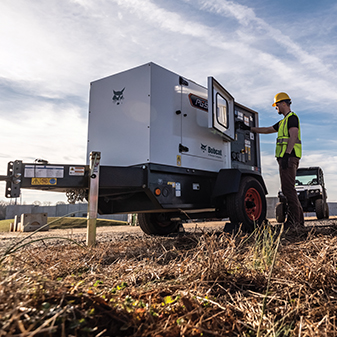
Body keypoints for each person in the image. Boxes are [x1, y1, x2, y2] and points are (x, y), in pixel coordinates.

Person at [250, 92, 304, 228]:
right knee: (288, 189)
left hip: (289, 158)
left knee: (288, 190)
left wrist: (287, 154)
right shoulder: (283, 121)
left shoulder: (292, 118)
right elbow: (267, 129)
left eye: (277, 105)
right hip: (287, 158)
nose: (276, 108)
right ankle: (298, 222)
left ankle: (293, 222)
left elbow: (293, 136)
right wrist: (250, 128)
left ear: (284, 103)